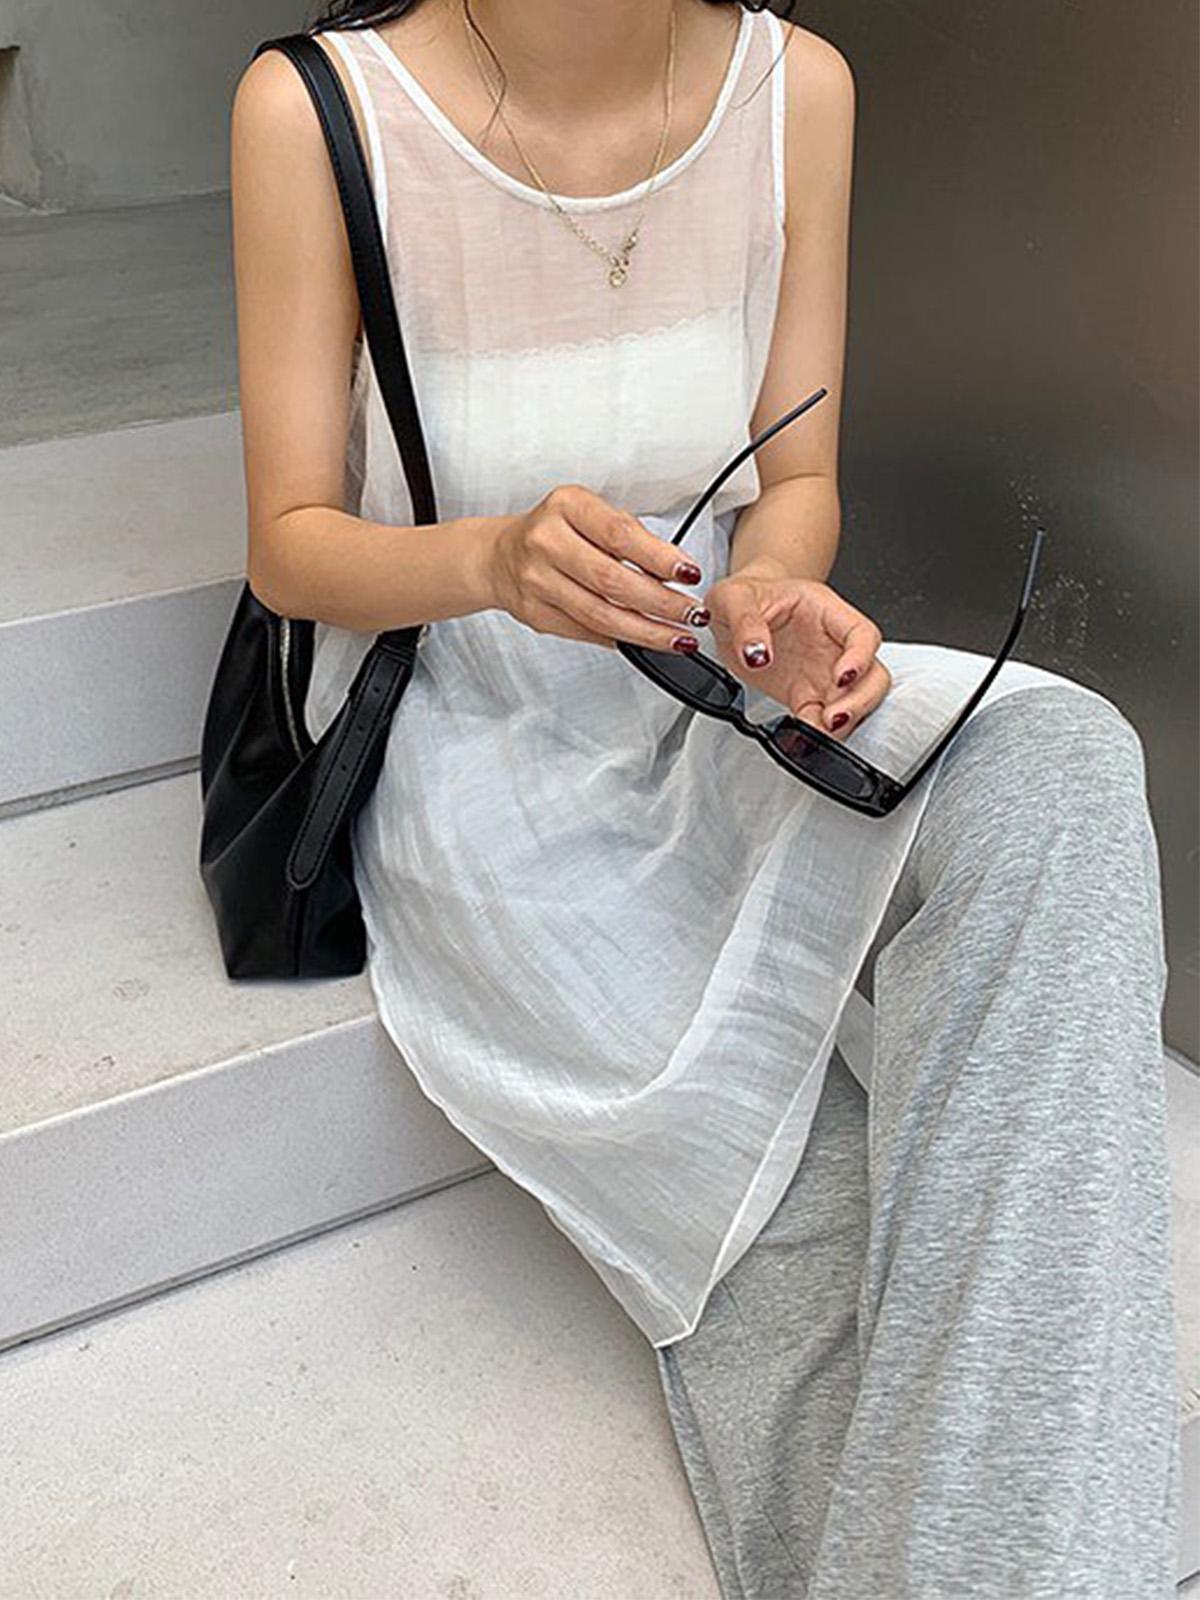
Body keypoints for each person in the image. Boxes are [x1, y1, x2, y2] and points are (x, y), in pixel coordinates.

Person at [229, 1, 1182, 1592]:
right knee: (793, 1221)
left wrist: (767, 602)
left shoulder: (798, 87)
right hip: (485, 754)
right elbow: (287, 544)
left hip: (725, 706)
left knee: (1057, 762)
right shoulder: (319, 109)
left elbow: (788, 479)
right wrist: (492, 559)